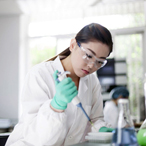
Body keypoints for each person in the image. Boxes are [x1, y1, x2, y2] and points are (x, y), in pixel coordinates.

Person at [6, 23, 114, 146]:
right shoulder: (39, 74)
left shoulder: (92, 81)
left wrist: (101, 129)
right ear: (73, 45)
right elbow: (37, 137)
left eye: (99, 62)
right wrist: (55, 106)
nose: (91, 66)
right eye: (88, 55)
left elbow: (94, 120)